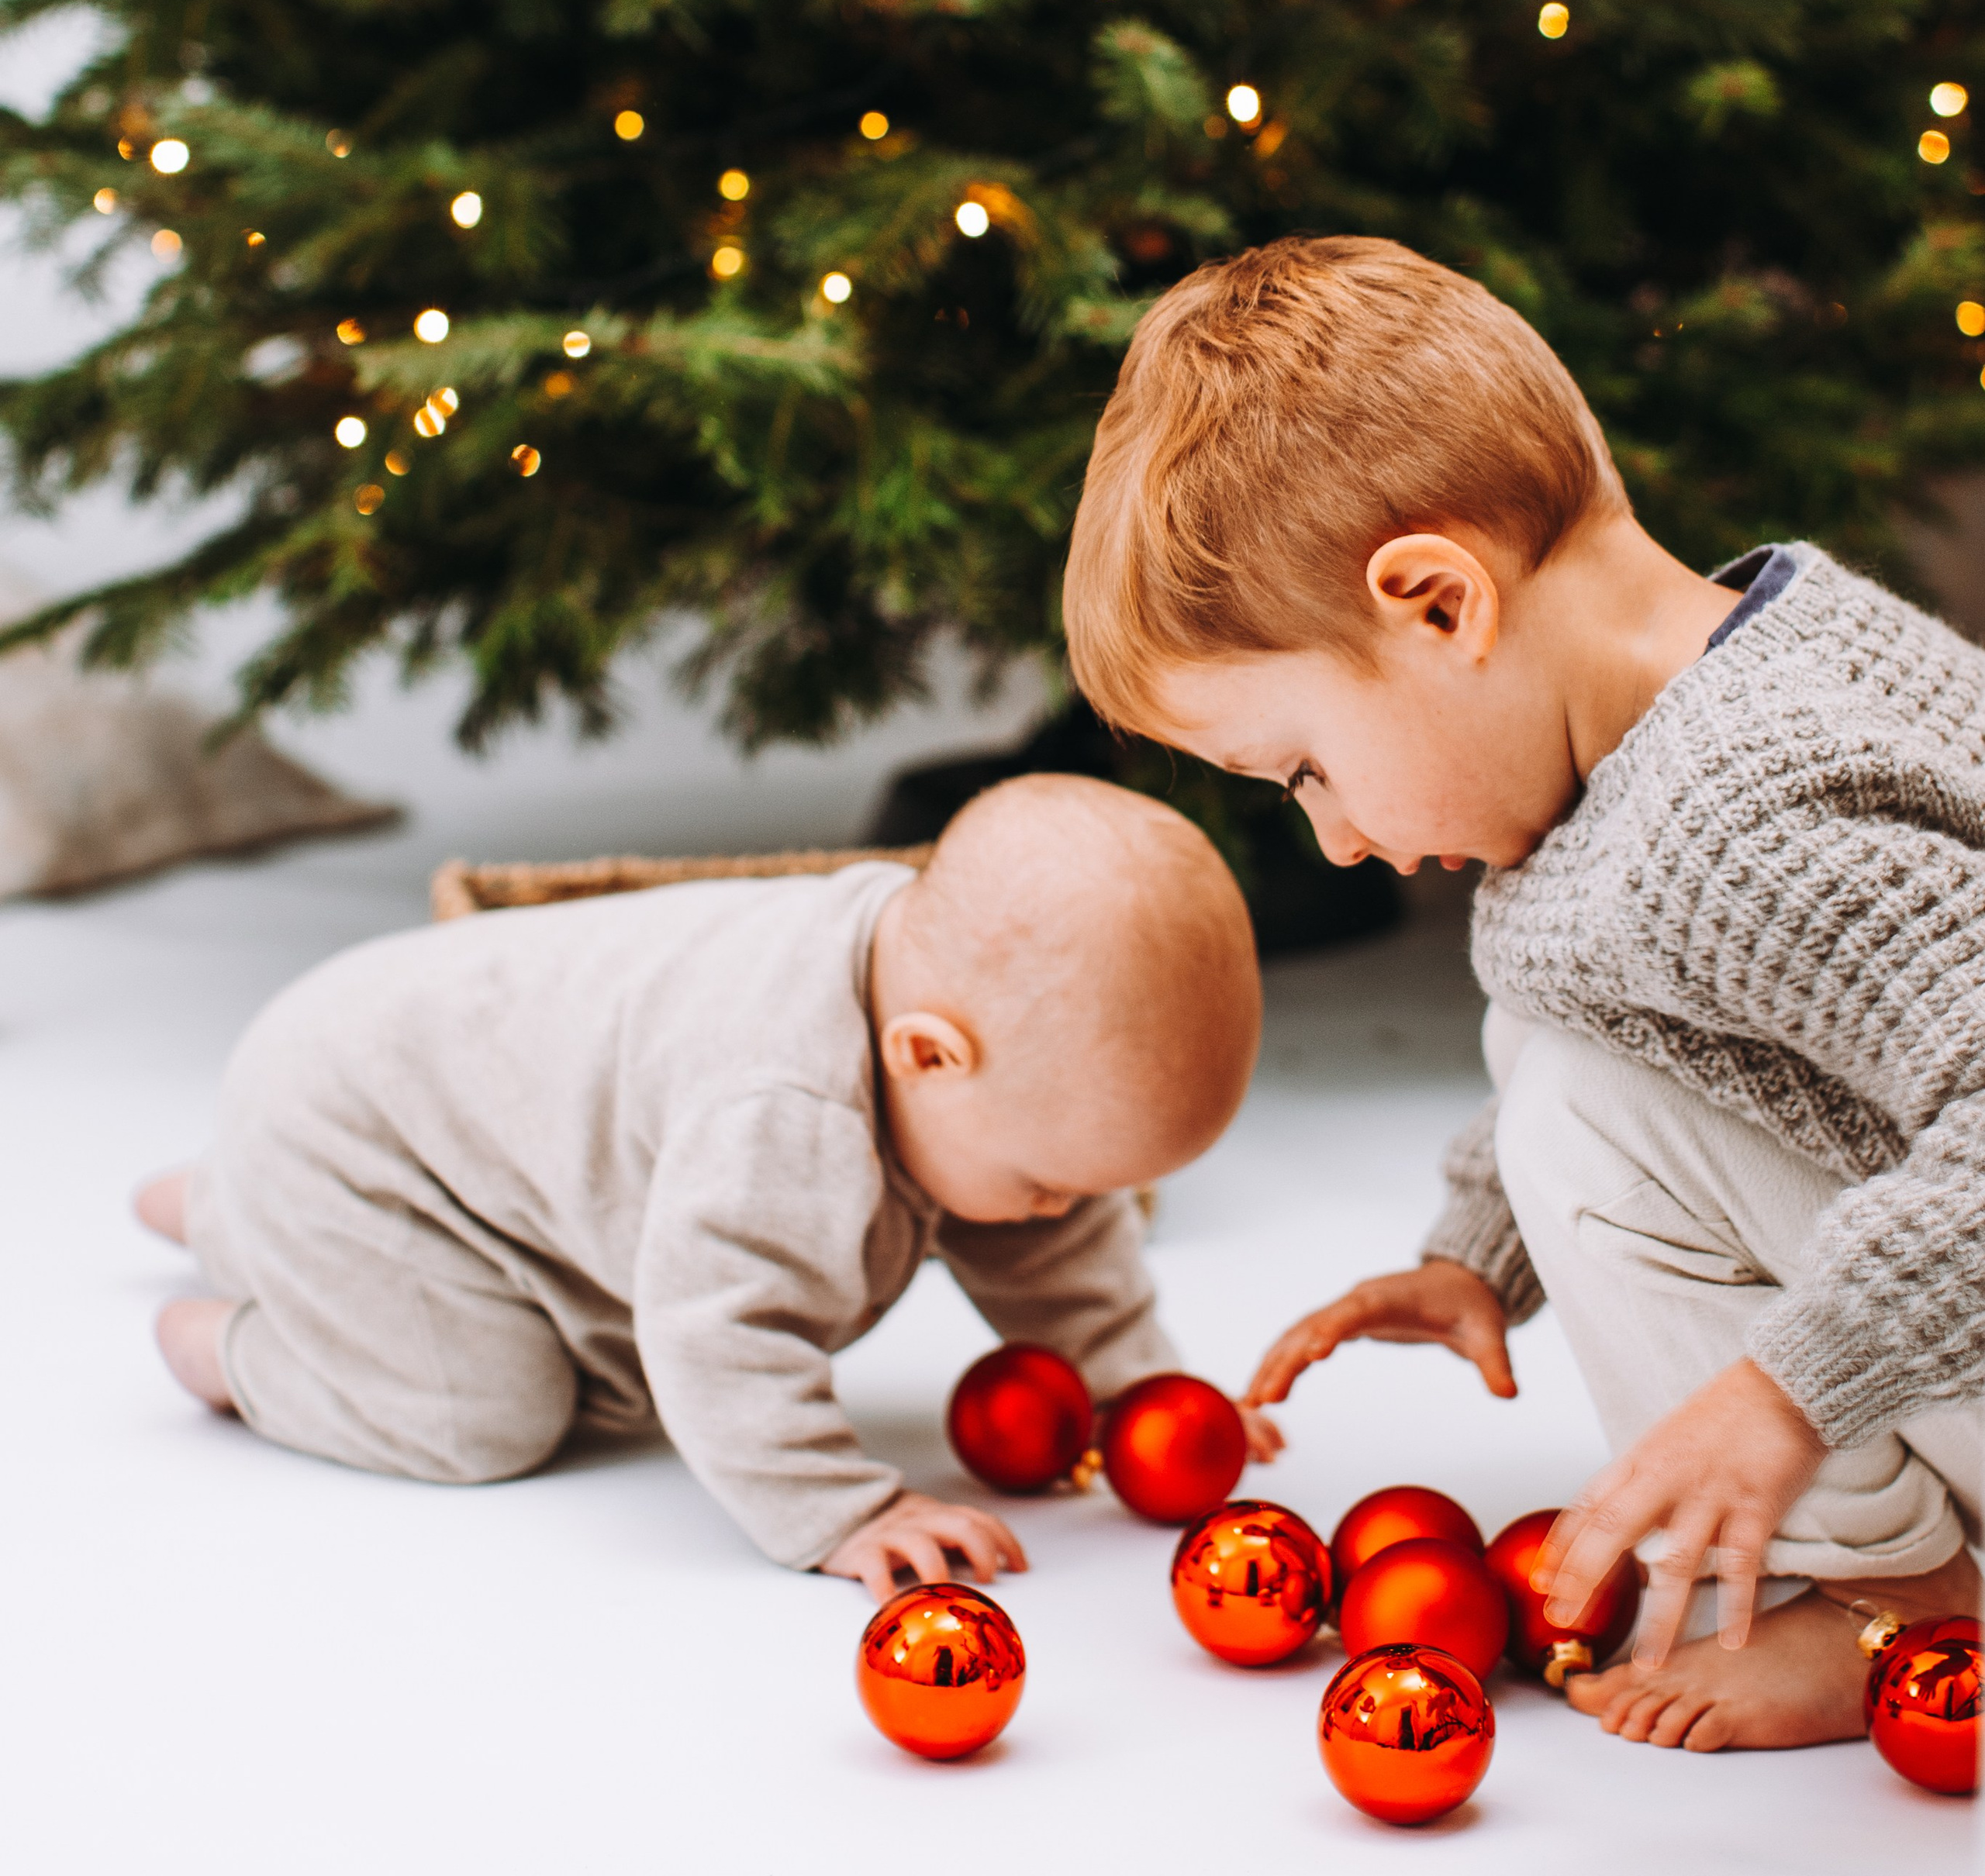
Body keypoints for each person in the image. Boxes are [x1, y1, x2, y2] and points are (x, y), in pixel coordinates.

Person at [1063, 233, 1983, 1754]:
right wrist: (1481, 1255)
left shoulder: (1746, 827)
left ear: (1434, 604)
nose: (1337, 837)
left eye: (1300, 766)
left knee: (1564, 1096)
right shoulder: (1735, 678)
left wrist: (1787, 1393)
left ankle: (1903, 1600)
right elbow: (1647, 1011)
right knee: (1556, 1049)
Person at [138, 773, 1271, 1598]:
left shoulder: (940, 999)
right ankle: (239, 1342)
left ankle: (238, 1203)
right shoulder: (779, 1113)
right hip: (358, 1126)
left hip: (392, 1098)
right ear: (927, 1057)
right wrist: (840, 1507)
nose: (1060, 1213)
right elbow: (715, 1333)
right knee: (487, 1414)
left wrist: (1131, 1384)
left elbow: (1051, 1248)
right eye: (1048, 1182)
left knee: (504, 1324)